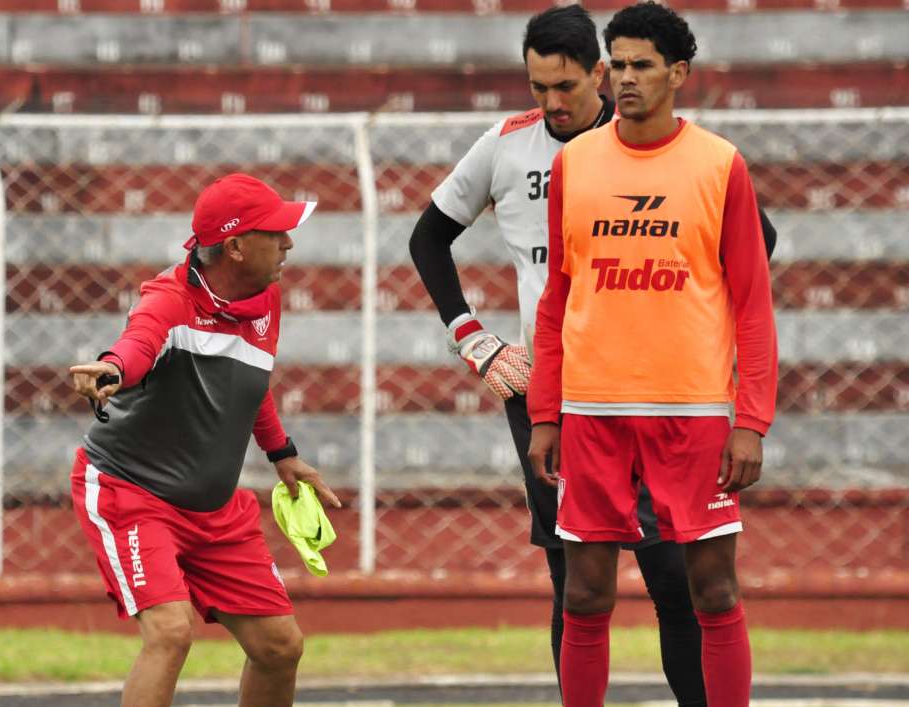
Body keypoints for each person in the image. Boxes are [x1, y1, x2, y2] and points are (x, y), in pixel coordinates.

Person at [409, 6, 775, 706]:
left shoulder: (684, 152)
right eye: (537, 86)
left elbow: (753, 259)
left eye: (566, 86)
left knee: (680, 579)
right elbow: (435, 244)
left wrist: (683, 329)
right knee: (573, 582)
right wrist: (476, 342)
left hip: (671, 394)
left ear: (599, 76)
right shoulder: (515, 149)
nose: (551, 102)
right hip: (562, 394)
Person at [527, 3, 779, 706]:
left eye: (643, 65)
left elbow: (753, 305)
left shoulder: (720, 165)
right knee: (583, 592)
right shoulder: (574, 164)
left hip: (693, 414)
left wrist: (751, 419)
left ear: (679, 73)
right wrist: (546, 412)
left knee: (714, 588)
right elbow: (556, 302)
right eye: (620, 65)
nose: (627, 79)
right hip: (592, 412)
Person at [68, 173, 341, 707]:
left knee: (280, 646)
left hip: (215, 510)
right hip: (133, 496)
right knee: (171, 632)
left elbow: (248, 381)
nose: (289, 244)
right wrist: (110, 370)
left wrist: (283, 455)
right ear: (236, 247)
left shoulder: (265, 300)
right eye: (276, 233)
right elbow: (137, 345)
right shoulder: (169, 301)